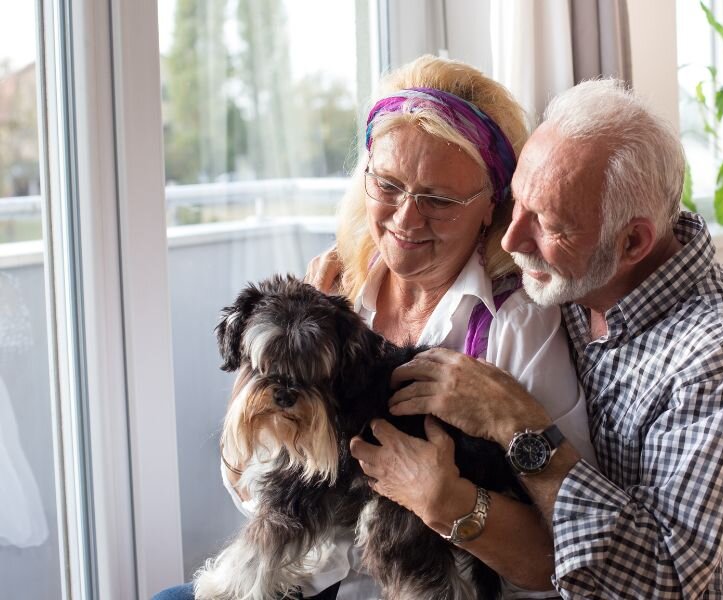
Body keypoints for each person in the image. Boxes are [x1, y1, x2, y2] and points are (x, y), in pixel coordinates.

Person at [154, 55, 595, 600]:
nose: (407, 220)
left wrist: (451, 501)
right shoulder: (331, 291)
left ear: (491, 206)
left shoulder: (518, 327)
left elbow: (567, 555)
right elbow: (252, 480)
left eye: (439, 198)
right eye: (388, 184)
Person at [383, 79, 723, 599]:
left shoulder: (720, 350)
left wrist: (517, 424)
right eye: (516, 204)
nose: (512, 241)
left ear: (632, 241)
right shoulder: (577, 281)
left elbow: (664, 579)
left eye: (549, 225)